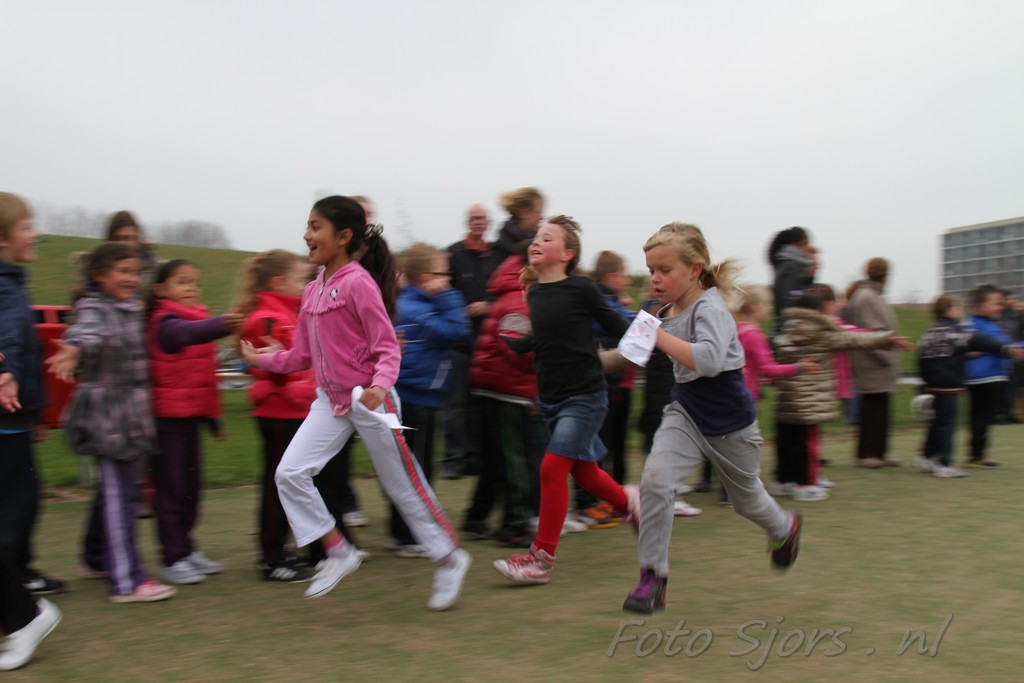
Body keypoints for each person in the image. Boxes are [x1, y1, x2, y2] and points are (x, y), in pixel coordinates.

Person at [239, 196, 470, 610]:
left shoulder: (359, 284)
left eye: (316, 227)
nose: (307, 235)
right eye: (307, 226)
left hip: (371, 402)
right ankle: (338, 550)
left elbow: (387, 348)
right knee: (289, 473)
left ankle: (450, 558)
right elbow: (301, 356)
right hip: (329, 401)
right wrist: (262, 361)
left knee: (403, 485)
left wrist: (380, 387)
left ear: (343, 236)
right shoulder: (313, 289)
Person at [623, 223, 801, 615]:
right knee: (655, 481)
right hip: (685, 413)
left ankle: (784, 528)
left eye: (664, 270)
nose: (655, 278)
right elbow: (626, 356)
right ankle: (653, 578)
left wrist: (656, 336)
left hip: (731, 425)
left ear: (694, 269)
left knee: (745, 500)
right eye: (651, 270)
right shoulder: (657, 312)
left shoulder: (711, 308)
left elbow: (708, 360)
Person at [492, 215, 638, 586]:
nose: (537, 242)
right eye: (536, 237)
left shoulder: (582, 288)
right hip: (552, 400)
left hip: (585, 397)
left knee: (552, 469)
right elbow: (548, 338)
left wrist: (652, 336)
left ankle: (540, 560)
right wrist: (520, 344)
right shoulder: (536, 292)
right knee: (585, 473)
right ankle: (633, 505)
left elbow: (618, 325)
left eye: (548, 238)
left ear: (566, 254)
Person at [47, 242, 177, 603]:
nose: (131, 279)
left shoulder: (130, 308)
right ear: (100, 275)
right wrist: (75, 349)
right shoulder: (94, 307)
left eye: (134, 272)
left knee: (120, 491)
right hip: (107, 417)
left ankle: (96, 558)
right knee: (121, 496)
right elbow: (86, 334)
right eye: (123, 271)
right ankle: (127, 580)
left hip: (130, 415)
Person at [146, 260, 243, 585]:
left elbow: (201, 379)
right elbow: (185, 334)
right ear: (161, 290)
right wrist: (221, 325)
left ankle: (186, 549)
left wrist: (211, 420)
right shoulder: (165, 321)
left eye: (194, 282)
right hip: (167, 422)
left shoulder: (196, 319)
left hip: (190, 421)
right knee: (172, 491)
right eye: (182, 282)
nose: (191, 288)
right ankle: (172, 558)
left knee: (190, 491)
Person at [234, 249, 319, 582]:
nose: (305, 285)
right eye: (300, 279)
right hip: (278, 411)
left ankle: (280, 549)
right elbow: (266, 366)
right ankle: (271, 559)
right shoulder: (267, 317)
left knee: (288, 482)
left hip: (294, 408)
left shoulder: (289, 313)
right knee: (277, 484)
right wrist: (288, 369)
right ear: (278, 281)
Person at [772, 289, 906, 501]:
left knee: (788, 443)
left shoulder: (785, 334)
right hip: (809, 402)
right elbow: (855, 339)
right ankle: (806, 484)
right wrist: (887, 339)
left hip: (787, 400)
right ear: (817, 311)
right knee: (808, 444)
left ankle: (784, 480)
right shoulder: (821, 333)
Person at [0, 193, 65, 599]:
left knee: (20, 500)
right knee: (17, 504)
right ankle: (14, 585)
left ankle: (18, 573)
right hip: (7, 416)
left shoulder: (12, 282)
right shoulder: (6, 287)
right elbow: (8, 336)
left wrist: (35, 415)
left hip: (16, 417)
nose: (35, 233)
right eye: (26, 226)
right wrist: (5, 371)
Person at [387, 243, 470, 557]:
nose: (448, 280)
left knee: (413, 467)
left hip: (419, 397)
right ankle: (408, 535)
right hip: (415, 399)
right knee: (415, 469)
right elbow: (458, 330)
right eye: (443, 274)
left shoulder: (413, 303)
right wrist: (449, 295)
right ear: (426, 277)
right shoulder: (418, 310)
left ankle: (407, 531)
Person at [464, 240, 543, 545]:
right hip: (509, 390)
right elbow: (514, 348)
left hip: (497, 386)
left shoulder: (513, 292)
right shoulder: (521, 298)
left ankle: (477, 517)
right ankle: (515, 525)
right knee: (514, 461)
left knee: (497, 460)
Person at [917, 294, 1022, 477]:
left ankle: (925, 457)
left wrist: (926, 382)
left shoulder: (929, 334)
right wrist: (1005, 349)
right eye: (958, 308)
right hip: (949, 386)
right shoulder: (958, 332)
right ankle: (943, 464)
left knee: (937, 422)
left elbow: (923, 358)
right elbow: (982, 341)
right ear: (949, 310)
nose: (961, 311)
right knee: (947, 424)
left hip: (933, 385)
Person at [731, 285, 816, 502]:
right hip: (745, 397)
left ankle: (730, 490)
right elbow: (767, 368)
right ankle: (740, 492)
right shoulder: (754, 335)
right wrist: (799, 367)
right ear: (755, 307)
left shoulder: (736, 330)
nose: (770, 309)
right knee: (746, 445)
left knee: (734, 444)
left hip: (733, 393)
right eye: (767, 304)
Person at [574, 250, 636, 528]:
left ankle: (608, 498)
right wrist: (649, 316)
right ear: (611, 277)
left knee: (609, 444)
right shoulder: (601, 302)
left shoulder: (608, 301)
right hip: (603, 383)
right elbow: (625, 326)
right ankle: (589, 501)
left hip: (613, 383)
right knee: (598, 444)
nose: (627, 281)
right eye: (623, 275)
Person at [443, 205, 496, 479]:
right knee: (456, 404)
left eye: (482, 219)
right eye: (474, 219)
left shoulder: (494, 255)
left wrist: (487, 306)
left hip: (487, 342)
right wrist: (460, 312)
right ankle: (454, 459)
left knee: (479, 404)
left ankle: (476, 458)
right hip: (459, 343)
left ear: (488, 223)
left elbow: (500, 294)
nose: (478, 223)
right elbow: (443, 291)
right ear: (467, 222)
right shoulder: (454, 254)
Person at [846, 258, 902, 468]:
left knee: (881, 409)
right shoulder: (868, 297)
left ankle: (879, 452)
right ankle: (867, 454)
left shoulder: (872, 296)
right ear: (885, 275)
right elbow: (872, 333)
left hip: (878, 362)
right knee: (873, 410)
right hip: (873, 362)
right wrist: (888, 357)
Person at [964, 284, 1016, 468]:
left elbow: (1008, 347)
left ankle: (978, 454)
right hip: (983, 377)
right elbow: (961, 346)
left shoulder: (992, 326)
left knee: (984, 416)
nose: (1001, 307)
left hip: (994, 376)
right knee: (981, 415)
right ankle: (976, 455)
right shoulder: (971, 324)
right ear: (981, 306)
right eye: (996, 303)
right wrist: (968, 353)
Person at [767, 227, 815, 336]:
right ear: (796, 245)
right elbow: (790, 294)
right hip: (789, 328)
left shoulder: (786, 264)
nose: (808, 248)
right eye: (806, 244)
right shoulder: (792, 266)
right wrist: (805, 294)